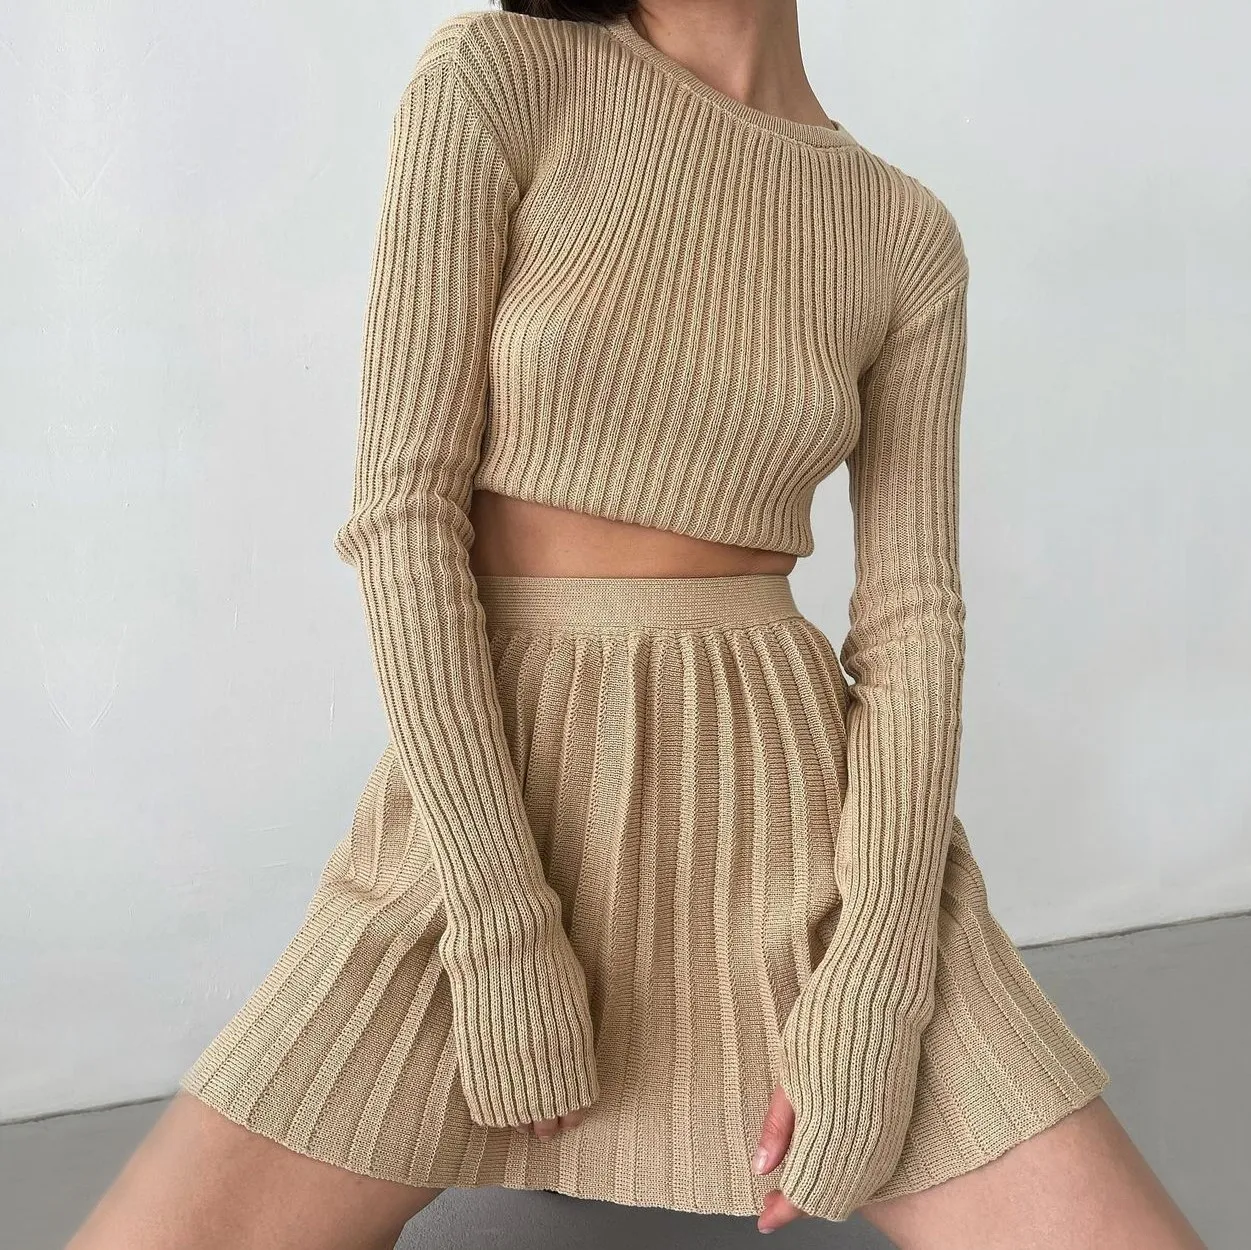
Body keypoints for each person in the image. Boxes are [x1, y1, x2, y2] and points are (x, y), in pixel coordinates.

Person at [69, 3, 1208, 1248]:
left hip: (801, 828)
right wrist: (500, 920)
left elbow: (911, 622)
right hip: (490, 819)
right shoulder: (501, 80)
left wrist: (875, 986)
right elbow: (404, 514)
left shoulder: (901, 231)